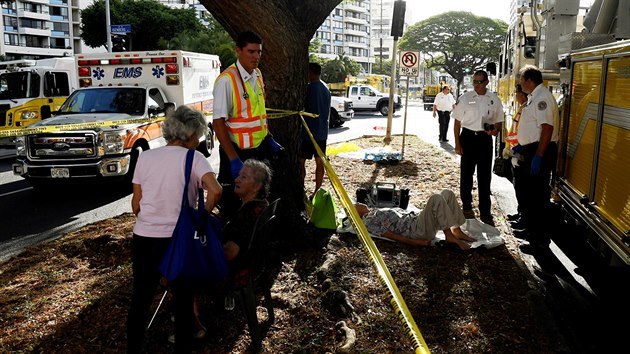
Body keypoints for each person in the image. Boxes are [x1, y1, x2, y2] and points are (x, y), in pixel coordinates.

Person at [126, 105, 222, 354]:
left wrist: (149, 217)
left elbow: (136, 202)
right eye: (199, 135)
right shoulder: (195, 158)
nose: (199, 140)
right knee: (183, 298)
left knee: (141, 296)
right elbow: (216, 190)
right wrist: (202, 216)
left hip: (144, 236)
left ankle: (133, 346)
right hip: (178, 239)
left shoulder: (146, 157)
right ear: (191, 135)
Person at [212, 30, 282, 219]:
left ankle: (253, 235)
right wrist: (233, 159)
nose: (256, 56)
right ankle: (230, 241)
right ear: (238, 51)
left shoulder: (257, 75)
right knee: (233, 200)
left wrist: (268, 138)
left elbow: (258, 112)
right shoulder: (226, 81)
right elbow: (218, 123)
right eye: (251, 52)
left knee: (257, 197)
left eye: (259, 52)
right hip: (236, 152)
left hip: (258, 149)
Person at [512, 65, 559, 250]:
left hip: (541, 151)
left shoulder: (542, 98)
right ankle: (531, 231)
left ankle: (539, 241)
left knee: (538, 198)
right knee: (530, 195)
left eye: (521, 80)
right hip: (532, 149)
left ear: (529, 81)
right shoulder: (534, 97)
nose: (520, 83)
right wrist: (522, 146)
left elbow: (547, 128)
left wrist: (538, 155)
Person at [452, 70, 503, 226]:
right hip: (467, 138)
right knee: (466, 174)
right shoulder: (466, 98)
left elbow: (499, 120)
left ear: (487, 82)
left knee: (485, 176)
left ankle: (485, 211)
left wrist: (495, 130)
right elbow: (457, 123)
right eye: (474, 81)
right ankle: (467, 206)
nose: (477, 85)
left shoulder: (494, 99)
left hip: (484, 139)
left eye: (480, 81)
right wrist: (457, 143)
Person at [355, 189, 475, 251]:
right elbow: (391, 235)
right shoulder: (368, 222)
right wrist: (415, 243)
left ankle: (456, 230)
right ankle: (449, 236)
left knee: (447, 193)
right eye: (355, 205)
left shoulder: (373, 211)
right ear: (356, 213)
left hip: (417, 219)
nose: (358, 203)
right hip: (416, 230)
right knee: (436, 198)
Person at [222, 159, 273, 268]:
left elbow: (230, 253)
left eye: (243, 177)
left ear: (257, 186)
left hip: (235, 270)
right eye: (239, 176)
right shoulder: (262, 204)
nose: (236, 180)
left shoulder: (246, 214)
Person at [300, 62, 332, 199]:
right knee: (319, 162)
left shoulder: (309, 89)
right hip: (322, 132)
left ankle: (301, 187)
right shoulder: (326, 89)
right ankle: (317, 191)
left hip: (308, 133)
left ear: (311, 73)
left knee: (300, 161)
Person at [504, 84, 527, 223]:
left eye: (516, 92)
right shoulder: (522, 108)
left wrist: (516, 150)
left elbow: (522, 133)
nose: (515, 95)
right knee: (518, 186)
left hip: (520, 152)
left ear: (522, 94)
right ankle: (520, 214)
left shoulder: (526, 109)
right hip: (515, 151)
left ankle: (523, 218)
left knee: (522, 188)